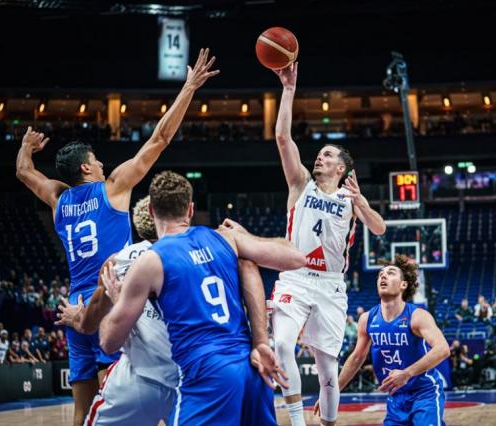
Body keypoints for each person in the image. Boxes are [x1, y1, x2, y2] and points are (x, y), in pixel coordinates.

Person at [15, 49, 219, 426]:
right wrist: (189, 87)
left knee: (84, 413)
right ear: (86, 167)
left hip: (75, 306)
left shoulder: (58, 200)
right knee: (138, 397)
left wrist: (26, 148)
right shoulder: (111, 189)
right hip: (112, 298)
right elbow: (159, 140)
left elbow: (25, 173)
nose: (104, 163)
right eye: (98, 159)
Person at [98, 171, 306, 425]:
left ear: (151, 211)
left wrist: (117, 301)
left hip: (208, 374)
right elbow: (296, 258)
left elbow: (109, 342)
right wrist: (246, 236)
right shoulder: (224, 238)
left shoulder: (150, 261)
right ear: (190, 209)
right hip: (252, 367)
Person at [270, 62, 386, 426]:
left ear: (342, 168)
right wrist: (288, 89)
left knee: (328, 373)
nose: (320, 156)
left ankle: (328, 423)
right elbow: (283, 139)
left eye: (329, 155)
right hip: (294, 278)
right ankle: (297, 421)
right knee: (283, 345)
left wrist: (362, 203)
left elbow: (379, 229)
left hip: (331, 287)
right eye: (320, 153)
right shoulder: (299, 185)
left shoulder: (352, 199)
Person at [316, 255, 449, 426]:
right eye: (380, 274)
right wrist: (331, 394)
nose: (383, 276)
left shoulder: (417, 317)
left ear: (404, 285)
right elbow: (357, 358)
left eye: (391, 273)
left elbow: (443, 349)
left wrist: (407, 373)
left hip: (424, 392)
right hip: (396, 397)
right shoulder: (367, 319)